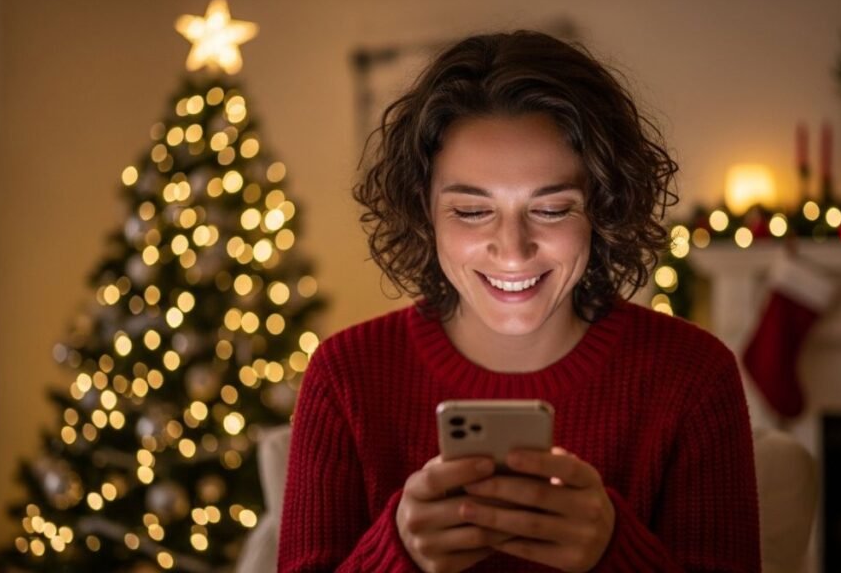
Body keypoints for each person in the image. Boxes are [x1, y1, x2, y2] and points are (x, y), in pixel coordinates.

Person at [278, 30, 760, 572]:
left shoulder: (694, 376)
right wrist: (397, 552)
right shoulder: (344, 376)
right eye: (471, 211)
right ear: (424, 212)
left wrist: (614, 551)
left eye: (551, 210)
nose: (512, 251)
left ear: (602, 206)